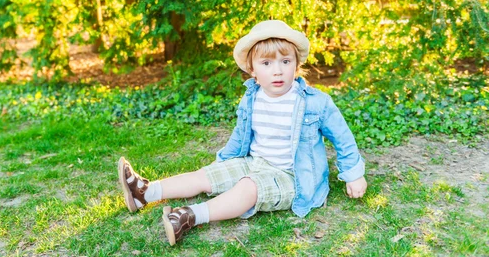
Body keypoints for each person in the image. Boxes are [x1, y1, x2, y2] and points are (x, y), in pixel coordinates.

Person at [118, 20, 367, 246]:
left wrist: (353, 175)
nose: (277, 70)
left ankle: (189, 216)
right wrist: (221, 167)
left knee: (248, 188)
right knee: (205, 176)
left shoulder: (315, 103)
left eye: (285, 62)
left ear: (297, 65)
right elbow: (240, 136)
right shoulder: (251, 98)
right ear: (253, 71)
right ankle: (145, 192)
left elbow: (343, 138)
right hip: (252, 162)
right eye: (267, 63)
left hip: (291, 176)